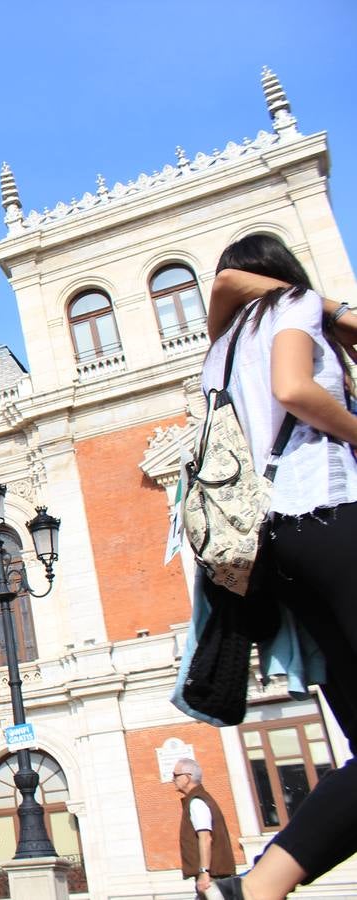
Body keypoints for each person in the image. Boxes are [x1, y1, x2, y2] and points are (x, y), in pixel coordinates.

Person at [199, 235, 357, 900]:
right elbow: (293, 388)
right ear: (287, 276)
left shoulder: (217, 354)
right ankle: (260, 886)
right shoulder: (292, 309)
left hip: (273, 546)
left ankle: (256, 890)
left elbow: (222, 291)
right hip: (332, 518)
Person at [169, 758, 235, 897]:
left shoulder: (197, 802)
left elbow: (205, 838)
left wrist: (204, 872)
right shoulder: (201, 798)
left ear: (187, 777)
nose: (173, 779)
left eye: (175, 775)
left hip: (212, 877)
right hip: (214, 875)